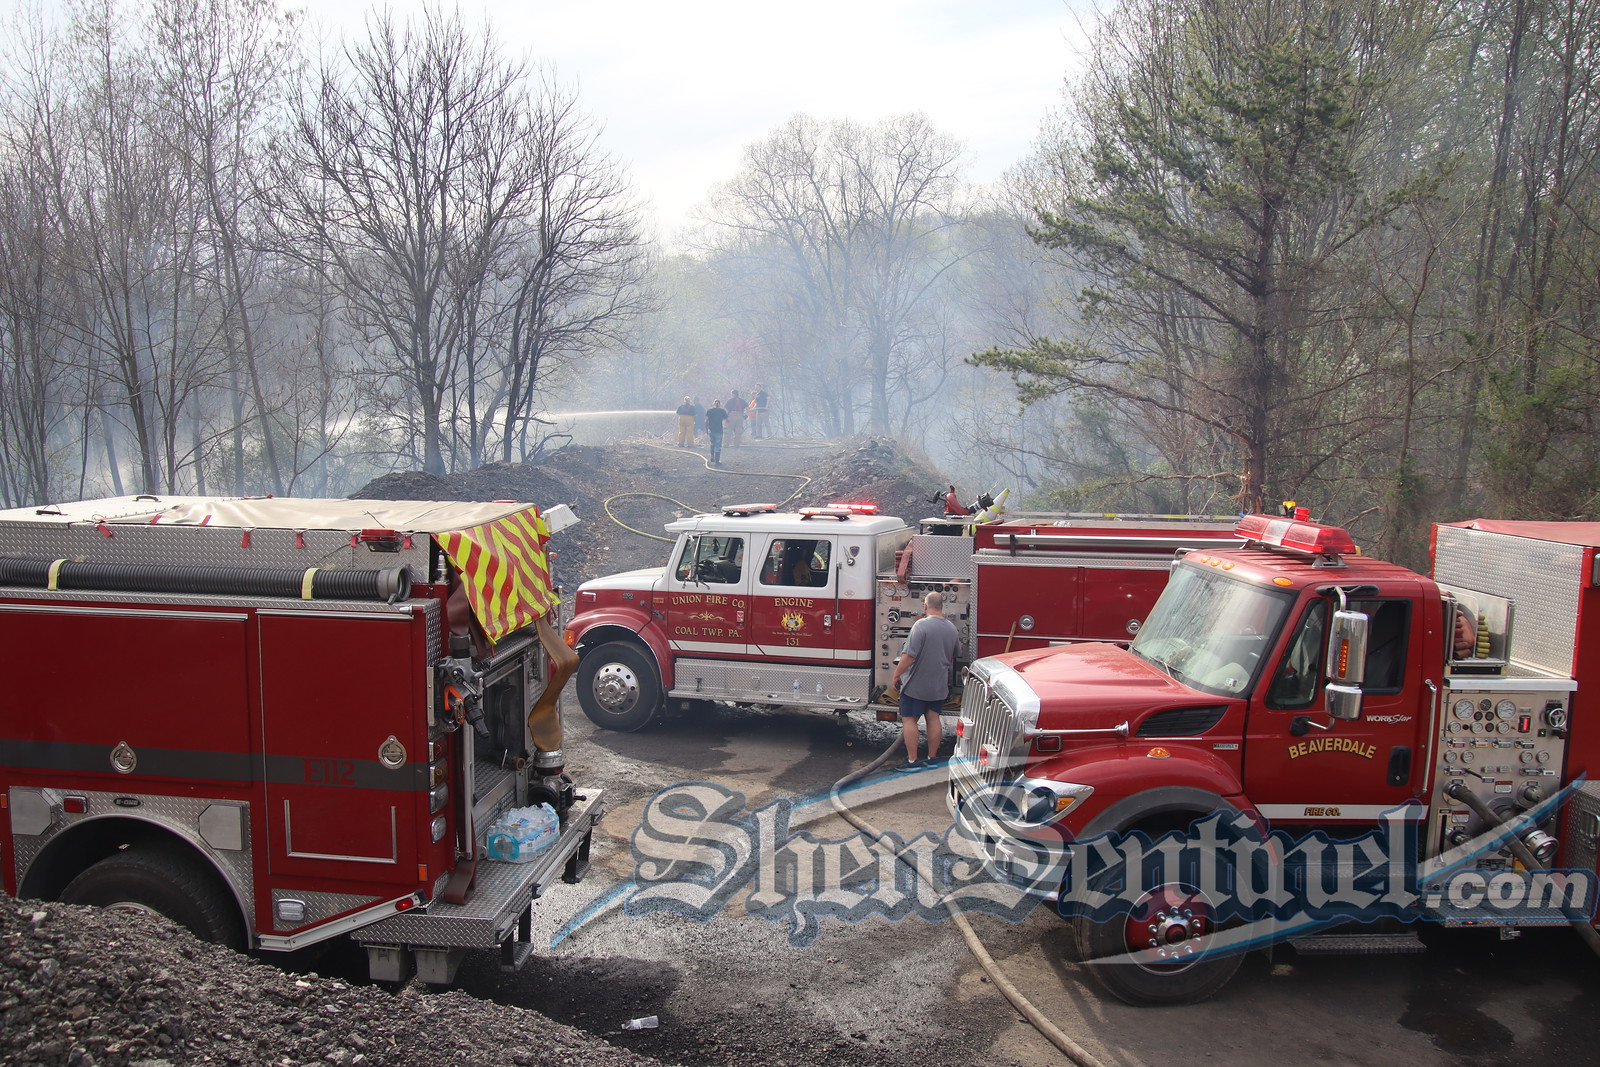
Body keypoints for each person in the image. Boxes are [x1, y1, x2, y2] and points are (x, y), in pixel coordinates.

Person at [890, 591, 961, 770]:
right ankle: (932, 759)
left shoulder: (920, 625)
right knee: (933, 718)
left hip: (916, 685)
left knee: (909, 720)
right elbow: (954, 656)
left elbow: (909, 657)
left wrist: (897, 674)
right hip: (938, 686)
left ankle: (913, 761)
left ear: (925, 606)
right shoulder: (952, 628)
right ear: (941, 607)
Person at [705, 398, 728, 464]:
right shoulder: (722, 411)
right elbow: (727, 420)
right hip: (719, 430)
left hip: (711, 430)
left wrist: (706, 429)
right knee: (718, 445)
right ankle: (717, 461)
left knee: (712, 443)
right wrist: (726, 427)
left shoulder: (709, 411)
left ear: (713, 404)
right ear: (719, 404)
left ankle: (712, 456)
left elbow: (706, 421)